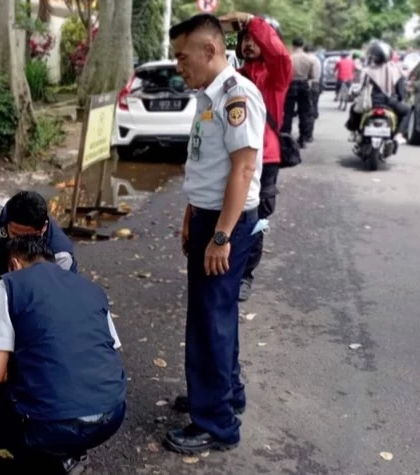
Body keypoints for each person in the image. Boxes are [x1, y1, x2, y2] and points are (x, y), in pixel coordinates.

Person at [0, 235, 126, 474]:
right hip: (112, 414)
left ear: (14, 264)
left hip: (55, 425)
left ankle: (47, 459)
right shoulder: (90, 288)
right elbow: (108, 350)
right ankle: (70, 453)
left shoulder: (9, 285)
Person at [165, 13, 264, 455]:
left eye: (183, 57)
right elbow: (211, 163)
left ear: (210, 51)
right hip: (210, 215)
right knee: (215, 315)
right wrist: (193, 212)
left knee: (210, 321)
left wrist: (221, 235)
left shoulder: (234, 95)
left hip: (227, 222)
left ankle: (216, 423)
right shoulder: (210, 95)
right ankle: (223, 392)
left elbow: (244, 167)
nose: (178, 66)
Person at [218, 12, 291, 302]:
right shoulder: (235, 76)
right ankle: (225, 264)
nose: (248, 44)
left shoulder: (277, 76)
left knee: (255, 218)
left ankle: (245, 274)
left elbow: (279, 54)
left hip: (266, 158)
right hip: (234, 155)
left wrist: (252, 21)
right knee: (227, 213)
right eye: (244, 39)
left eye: (254, 39)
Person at [0, 190, 77, 301]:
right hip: (4, 272)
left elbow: (53, 300)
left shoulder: (61, 256)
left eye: (28, 236)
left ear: (43, 228)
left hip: (44, 292)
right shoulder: (2, 210)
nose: (20, 241)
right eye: (15, 233)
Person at [345, 40, 409, 143]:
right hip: (390, 103)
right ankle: (399, 134)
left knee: (354, 109)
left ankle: (353, 133)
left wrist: (355, 94)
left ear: (372, 56)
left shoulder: (367, 71)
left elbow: (361, 88)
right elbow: (400, 92)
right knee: (407, 111)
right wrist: (400, 99)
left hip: (370, 102)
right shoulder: (396, 70)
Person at [283, 37, 319, 146]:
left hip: (290, 85)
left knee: (287, 113)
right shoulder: (309, 59)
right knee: (304, 113)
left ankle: (286, 136)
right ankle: (303, 138)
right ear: (302, 45)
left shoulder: (288, 57)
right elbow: (312, 76)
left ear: (293, 45)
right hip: (304, 84)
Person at [305, 44, 323, 120]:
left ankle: (310, 114)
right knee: (315, 100)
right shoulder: (318, 59)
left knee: (309, 100)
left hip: (309, 82)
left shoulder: (307, 58)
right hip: (317, 82)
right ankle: (315, 113)